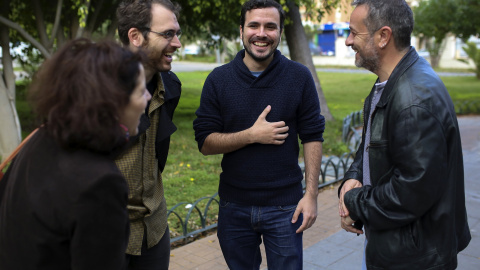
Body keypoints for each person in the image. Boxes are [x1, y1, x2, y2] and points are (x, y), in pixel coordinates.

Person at [338, 0, 471, 269]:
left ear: (383, 36)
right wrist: (353, 178)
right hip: (394, 246)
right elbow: (371, 146)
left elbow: (410, 190)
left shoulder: (414, 98)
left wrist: (353, 201)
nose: (348, 41)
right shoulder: (393, 81)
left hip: (414, 257)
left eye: (354, 32)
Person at [193, 0, 325, 269]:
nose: (261, 33)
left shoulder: (299, 77)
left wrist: (311, 195)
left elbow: (312, 136)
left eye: (270, 26)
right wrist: (251, 135)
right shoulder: (218, 80)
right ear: (241, 30)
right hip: (234, 205)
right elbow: (205, 143)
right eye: (253, 25)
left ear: (279, 32)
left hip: (285, 208)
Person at [0, 38, 151, 269]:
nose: (147, 99)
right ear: (114, 102)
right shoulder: (101, 183)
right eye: (141, 92)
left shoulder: (40, 139)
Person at [115, 0, 182, 268]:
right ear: (135, 36)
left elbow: (158, 155)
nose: (177, 43)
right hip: (105, 233)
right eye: (168, 34)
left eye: (177, 33)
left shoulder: (171, 87)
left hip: (154, 233)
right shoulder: (94, 93)